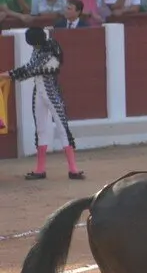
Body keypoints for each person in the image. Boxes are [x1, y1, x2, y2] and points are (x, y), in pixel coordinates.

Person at [0, 28, 84, 180]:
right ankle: (40, 169)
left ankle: (73, 169)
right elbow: (30, 68)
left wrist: (5, 75)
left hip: (51, 92)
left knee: (62, 128)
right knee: (41, 129)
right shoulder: (40, 48)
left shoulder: (49, 50)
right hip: (39, 92)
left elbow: (30, 69)